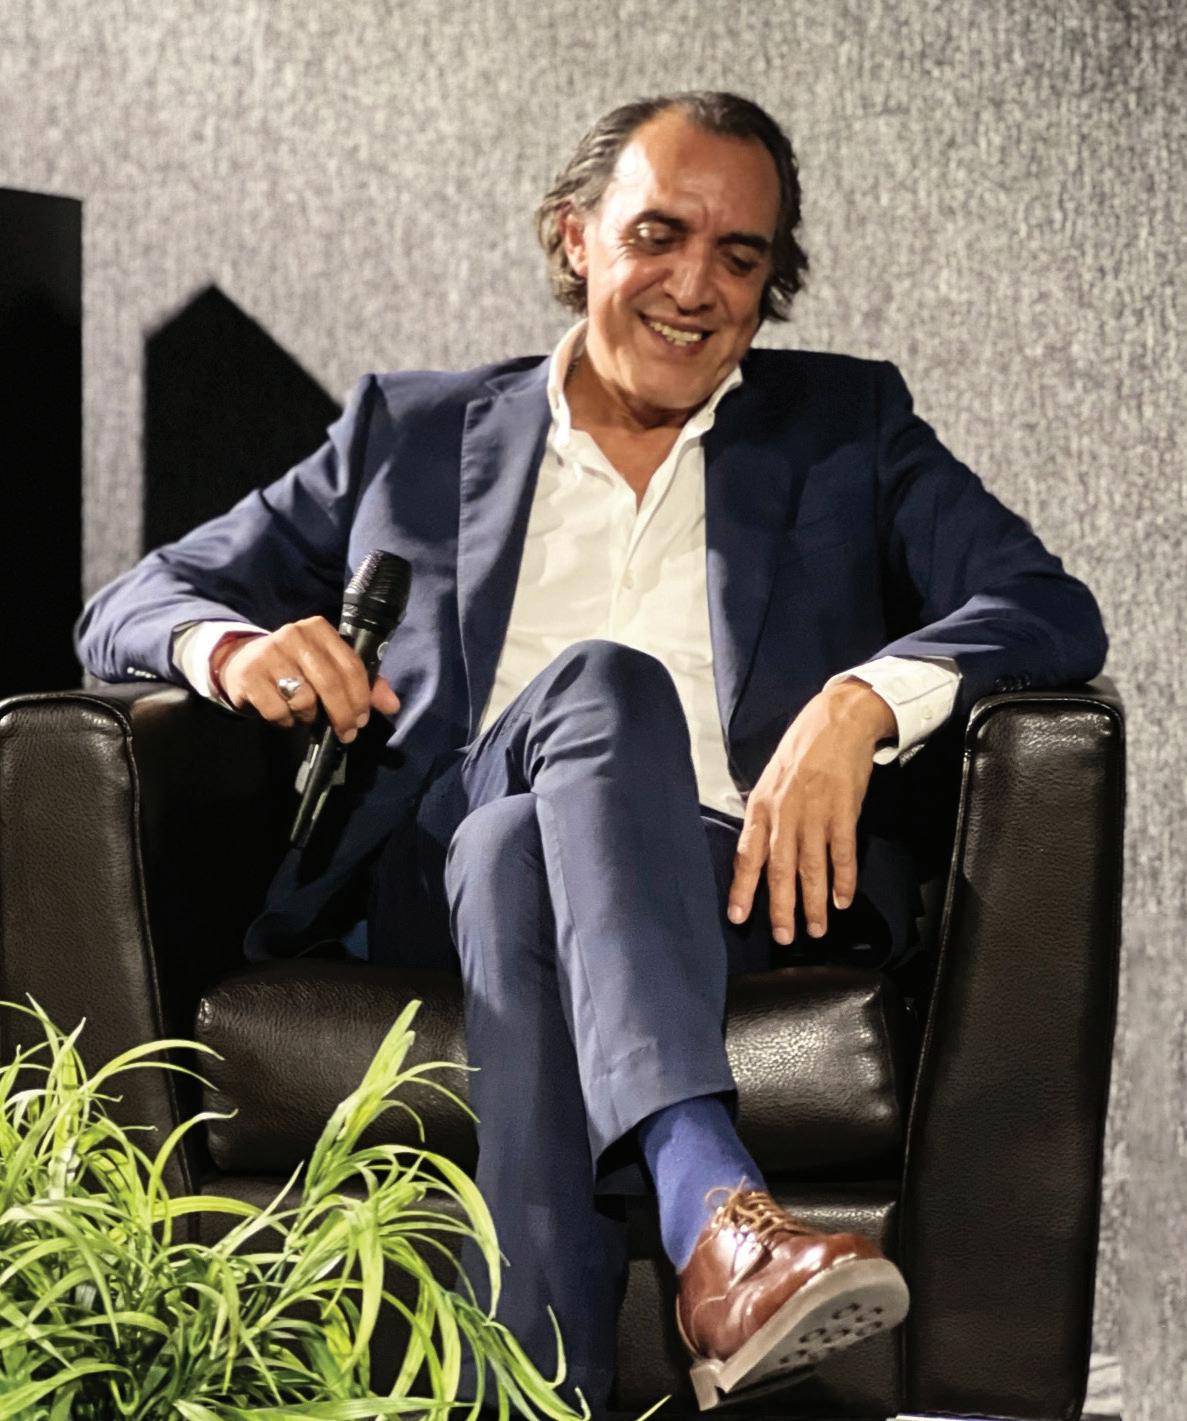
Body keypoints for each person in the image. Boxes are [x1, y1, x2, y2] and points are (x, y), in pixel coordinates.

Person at [76, 91, 1108, 1415]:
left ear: (770, 281)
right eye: (657, 234)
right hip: (426, 874)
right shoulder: (411, 430)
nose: (696, 285)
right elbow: (135, 599)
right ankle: (709, 1199)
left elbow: (1042, 601)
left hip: (736, 885)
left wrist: (861, 700)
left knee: (524, 858)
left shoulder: (845, 428)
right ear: (577, 237)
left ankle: (533, 1387)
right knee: (595, 699)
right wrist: (233, 651)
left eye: (739, 256)